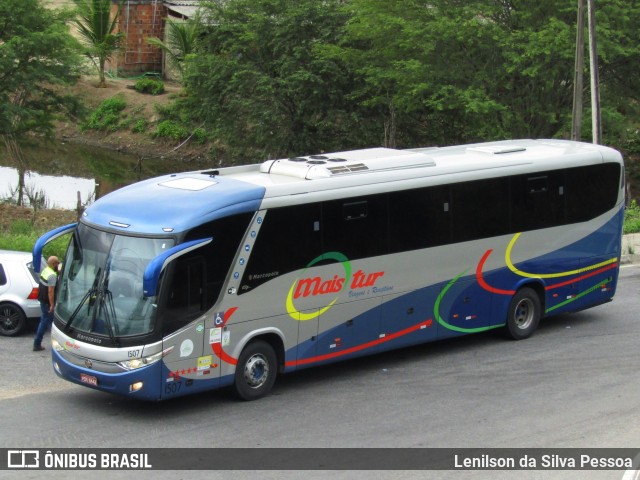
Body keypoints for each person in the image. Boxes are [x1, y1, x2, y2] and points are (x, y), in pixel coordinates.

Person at [33, 256, 60, 352]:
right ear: (53, 264)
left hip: (42, 300)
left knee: (47, 321)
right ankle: (37, 343)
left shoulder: (46, 270)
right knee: (45, 322)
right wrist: (52, 305)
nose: (58, 264)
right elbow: (50, 291)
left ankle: (41, 342)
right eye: (57, 263)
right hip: (48, 303)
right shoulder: (52, 275)